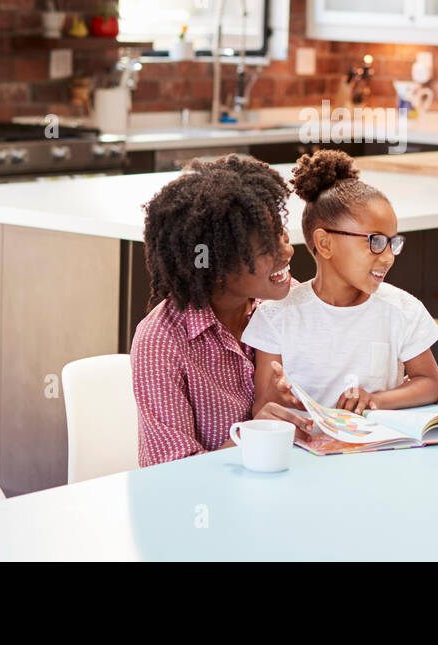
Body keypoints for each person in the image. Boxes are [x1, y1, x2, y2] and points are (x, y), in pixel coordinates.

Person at [130, 154, 313, 467]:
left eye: (281, 234)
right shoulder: (160, 343)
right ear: (217, 268)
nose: (287, 250)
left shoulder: (292, 303)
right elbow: (172, 476)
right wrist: (252, 433)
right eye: (266, 249)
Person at [247, 149, 438, 414]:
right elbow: (265, 407)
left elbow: (429, 382)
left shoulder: (402, 309)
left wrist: (376, 400)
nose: (388, 257)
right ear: (325, 243)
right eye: (375, 242)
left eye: (392, 243)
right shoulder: (274, 317)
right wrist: (282, 400)